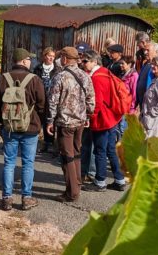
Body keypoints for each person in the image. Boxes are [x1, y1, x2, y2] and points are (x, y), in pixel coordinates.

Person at [0, 48, 46, 211]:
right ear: (23, 61)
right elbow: (43, 104)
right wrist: (39, 122)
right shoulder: (34, 79)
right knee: (28, 163)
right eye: (29, 59)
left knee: (9, 162)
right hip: (30, 127)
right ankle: (26, 198)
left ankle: (6, 198)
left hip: (9, 127)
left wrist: (2, 122)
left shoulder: (3, 79)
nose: (31, 62)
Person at [46, 47, 95, 202]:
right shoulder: (85, 76)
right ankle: (77, 184)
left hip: (65, 123)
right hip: (80, 121)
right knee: (76, 153)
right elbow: (91, 99)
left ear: (65, 59)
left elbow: (52, 102)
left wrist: (49, 121)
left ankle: (72, 192)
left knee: (67, 156)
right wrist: (87, 115)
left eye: (61, 57)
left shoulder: (59, 77)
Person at [81, 50, 126, 192]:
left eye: (85, 61)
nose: (83, 64)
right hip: (112, 118)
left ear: (94, 61)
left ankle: (100, 181)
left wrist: (90, 118)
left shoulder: (97, 78)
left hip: (102, 119)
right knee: (110, 150)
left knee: (100, 151)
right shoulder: (105, 72)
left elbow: (97, 103)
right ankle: (119, 180)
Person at [32, 47, 60, 155]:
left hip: (52, 98)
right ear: (44, 56)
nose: (51, 58)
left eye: (53, 56)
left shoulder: (56, 69)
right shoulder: (38, 68)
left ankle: (53, 143)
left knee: (52, 120)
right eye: (49, 56)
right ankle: (45, 142)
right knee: (42, 119)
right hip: (41, 97)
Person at [135, 40, 158, 111]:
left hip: (151, 105)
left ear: (156, 52)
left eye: (148, 50)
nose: (145, 52)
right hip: (142, 104)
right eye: (144, 50)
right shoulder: (145, 64)